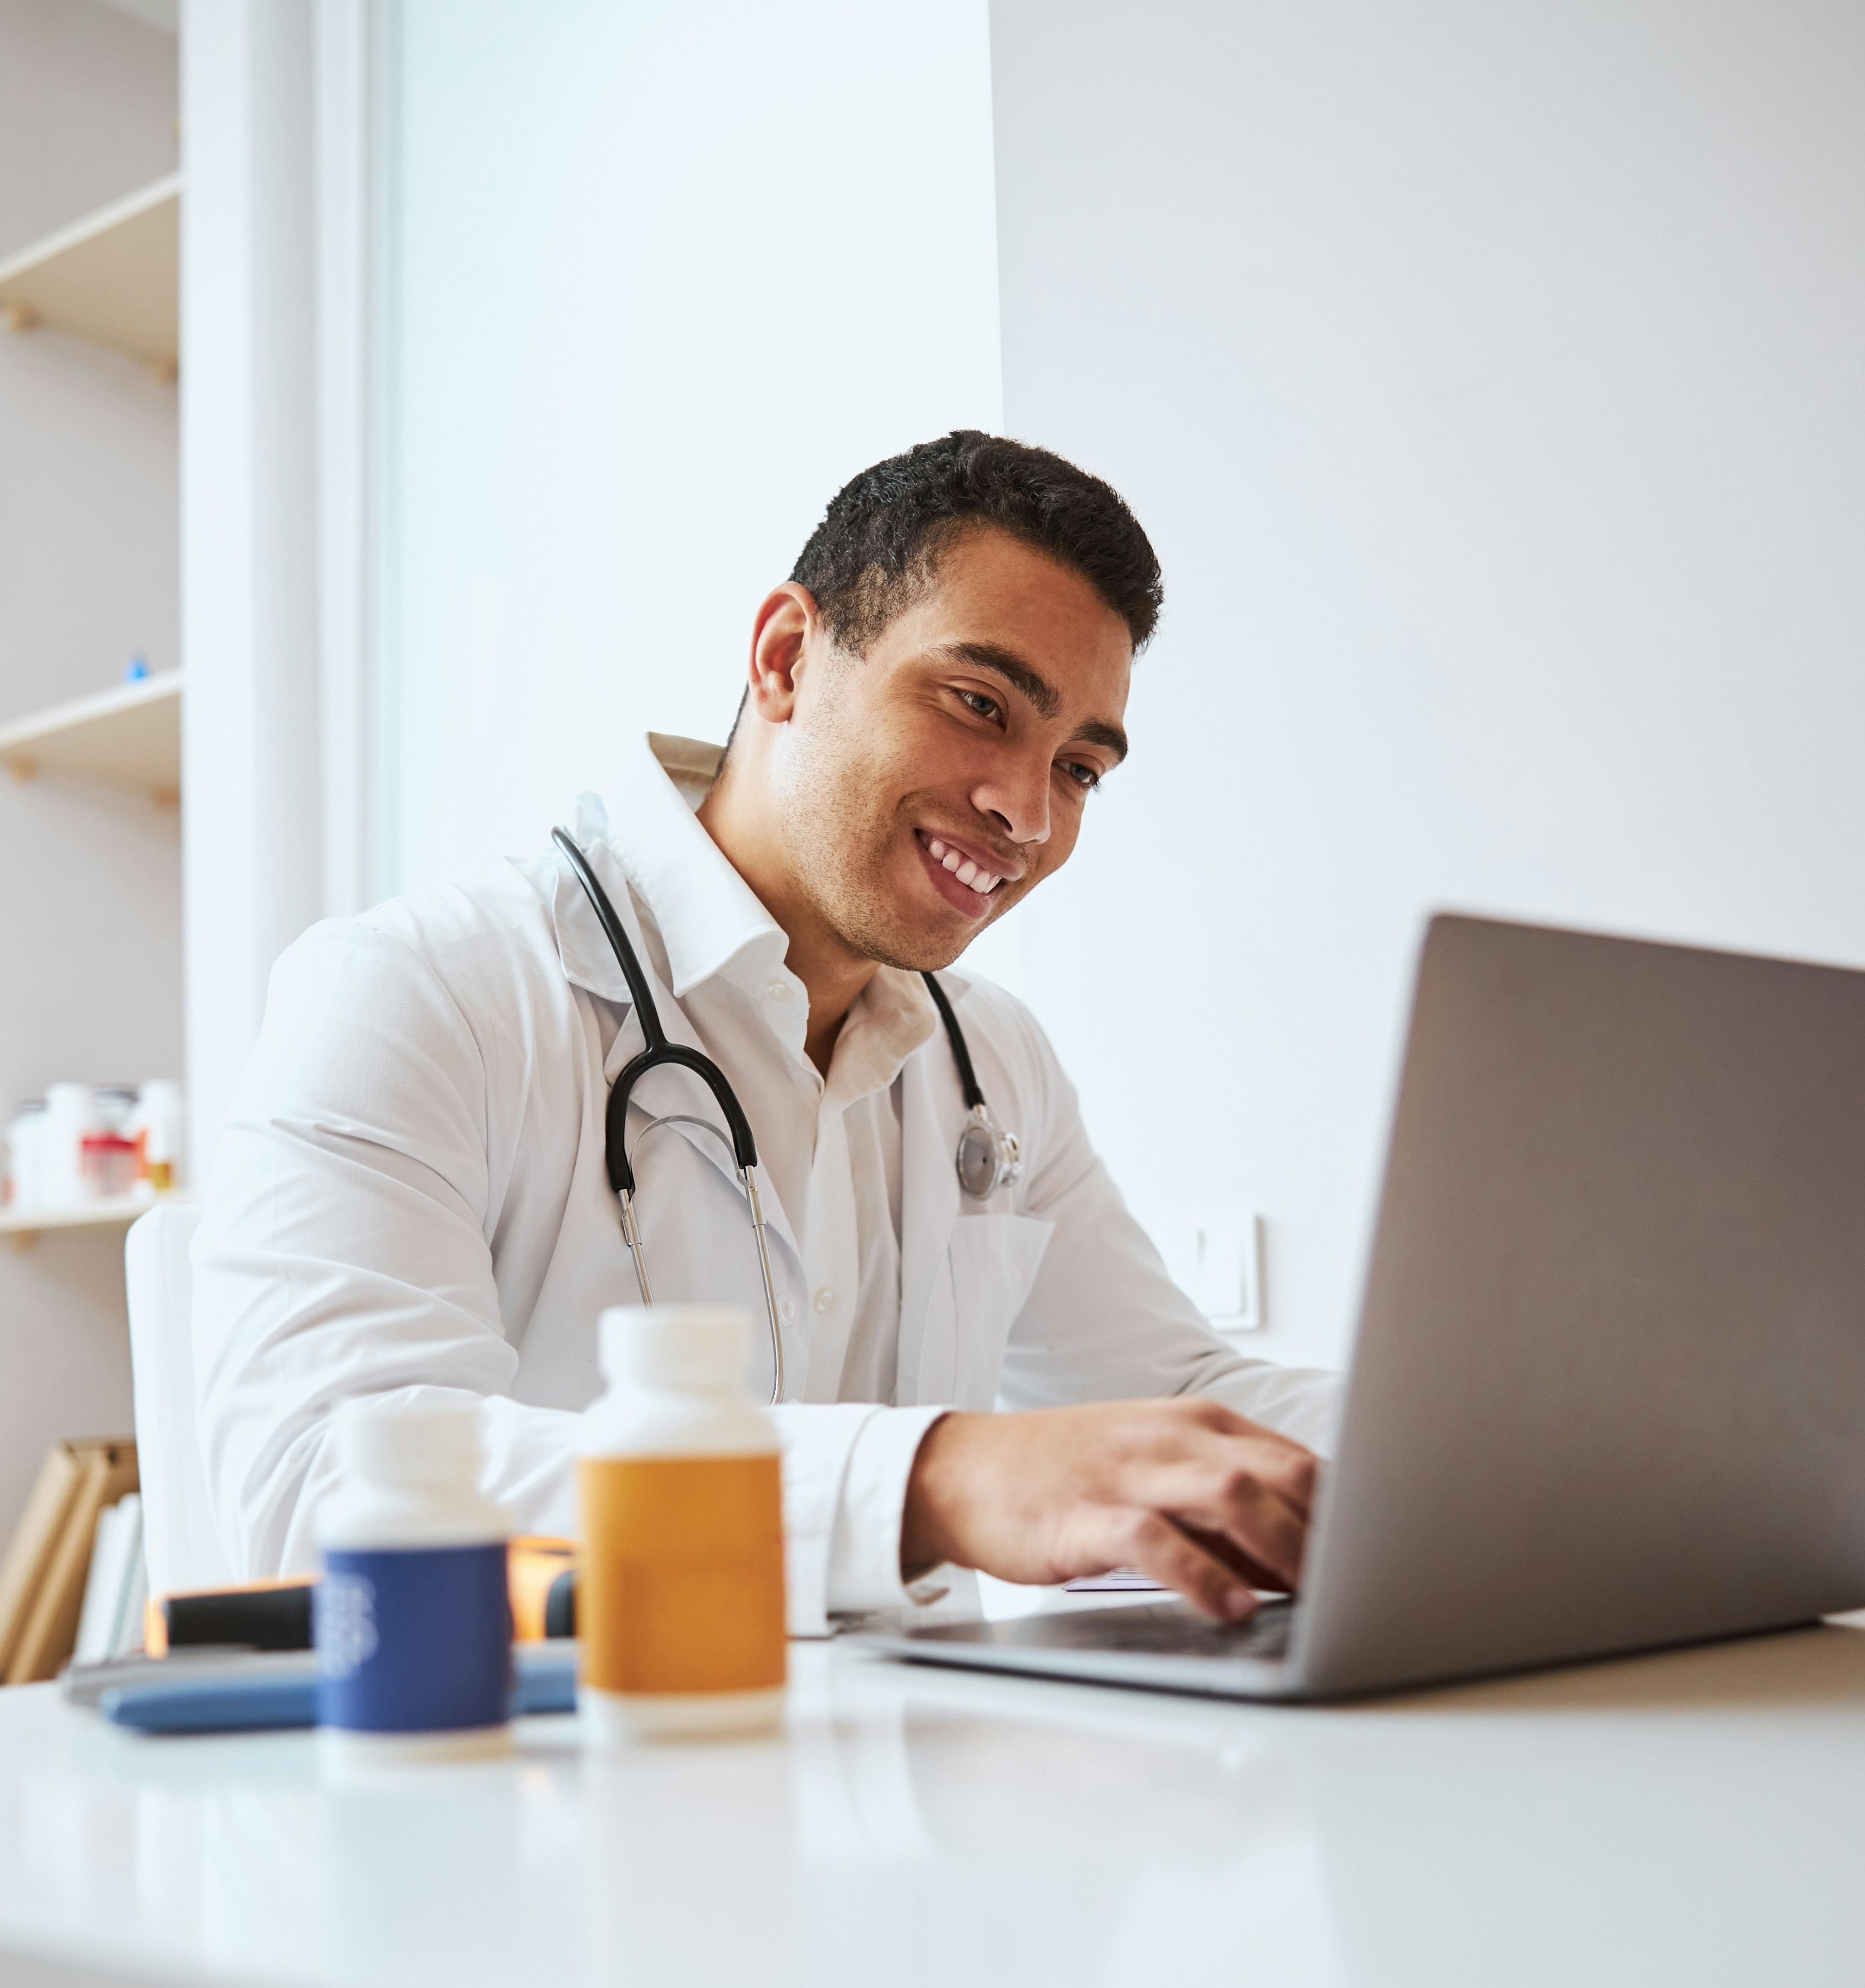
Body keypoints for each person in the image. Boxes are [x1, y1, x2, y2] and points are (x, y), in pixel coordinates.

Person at [193, 431, 1338, 1632]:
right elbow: (321, 1488)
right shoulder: (422, 990)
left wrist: (1486, 1448)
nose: (1027, 812)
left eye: (1081, 769)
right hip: (553, 1786)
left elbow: (1180, 1400)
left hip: (912, 1787)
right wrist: (925, 1482)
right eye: (979, 704)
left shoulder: (994, 1066)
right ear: (787, 658)